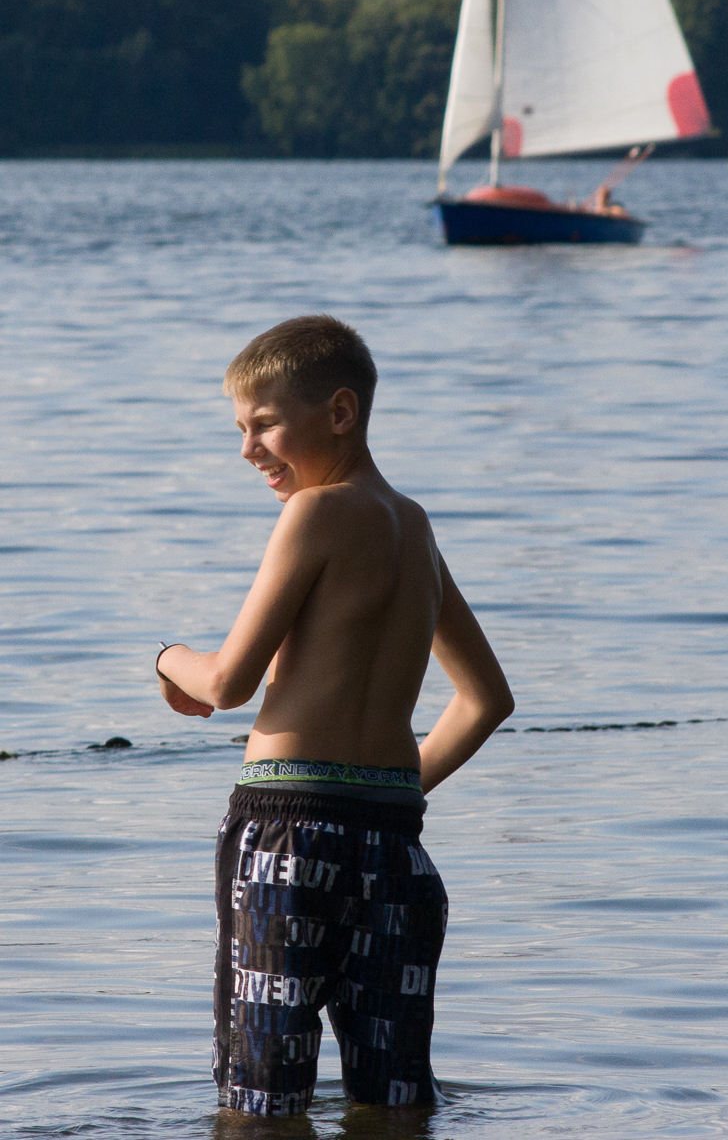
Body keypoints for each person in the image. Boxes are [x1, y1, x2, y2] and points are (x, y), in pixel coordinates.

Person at [156, 315, 514, 1117]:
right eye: (240, 430)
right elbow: (487, 700)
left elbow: (228, 681)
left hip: (287, 834)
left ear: (340, 412)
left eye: (264, 424)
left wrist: (166, 659)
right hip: (393, 845)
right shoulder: (413, 526)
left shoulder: (313, 515)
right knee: (395, 1100)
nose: (247, 449)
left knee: (260, 1099)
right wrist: (388, 792)